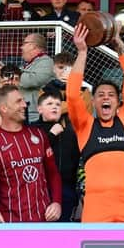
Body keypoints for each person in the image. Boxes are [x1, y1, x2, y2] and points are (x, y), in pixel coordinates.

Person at [67, 23, 124, 222]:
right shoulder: (85, 126)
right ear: (93, 101)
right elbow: (72, 95)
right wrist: (82, 52)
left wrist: (118, 42)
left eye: (111, 95)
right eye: (100, 95)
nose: (105, 98)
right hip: (95, 206)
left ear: (118, 102)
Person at [0, 85, 62, 223]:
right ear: (3, 108)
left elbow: (53, 173)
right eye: (18, 101)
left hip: (44, 220)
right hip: (10, 223)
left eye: (23, 100)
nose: (24, 104)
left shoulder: (39, 135)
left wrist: (57, 202)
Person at [31, 91, 80, 222]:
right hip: (40, 189)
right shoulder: (32, 130)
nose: (55, 107)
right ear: (39, 109)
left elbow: (76, 161)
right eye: (49, 103)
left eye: (58, 104)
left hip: (66, 189)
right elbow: (31, 156)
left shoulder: (70, 133)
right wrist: (51, 136)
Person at [0, 0, 38, 66]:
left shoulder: (27, 7)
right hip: (5, 54)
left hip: (25, 55)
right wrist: (3, 2)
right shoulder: (3, 8)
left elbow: (38, 22)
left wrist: (23, 2)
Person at [18, 33, 55, 122]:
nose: (21, 47)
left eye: (24, 43)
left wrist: (12, 74)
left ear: (33, 46)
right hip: (25, 113)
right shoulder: (28, 65)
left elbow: (31, 80)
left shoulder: (47, 62)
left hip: (35, 116)